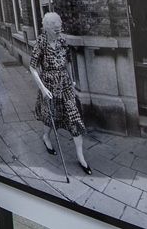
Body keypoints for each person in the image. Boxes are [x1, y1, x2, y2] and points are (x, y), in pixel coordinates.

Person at [29, 12, 91, 175]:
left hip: (65, 85)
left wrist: (71, 80)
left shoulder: (63, 41)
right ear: (47, 28)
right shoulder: (41, 43)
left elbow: (67, 62)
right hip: (49, 86)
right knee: (50, 117)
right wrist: (43, 88)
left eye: (60, 28)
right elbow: (32, 67)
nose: (59, 32)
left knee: (74, 117)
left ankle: (80, 156)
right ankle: (46, 137)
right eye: (55, 29)